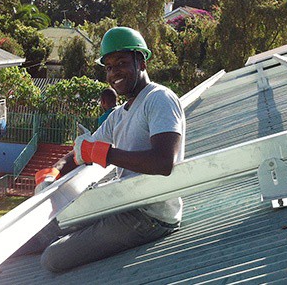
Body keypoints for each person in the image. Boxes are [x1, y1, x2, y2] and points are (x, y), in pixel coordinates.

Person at [22, 27, 186, 273]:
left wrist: (104, 154)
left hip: (149, 215)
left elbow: (163, 162)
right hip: (122, 202)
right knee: (37, 233)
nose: (113, 73)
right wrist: (52, 173)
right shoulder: (119, 114)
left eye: (121, 63)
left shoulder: (159, 99)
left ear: (140, 61)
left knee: (53, 258)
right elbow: (81, 152)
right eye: (108, 67)